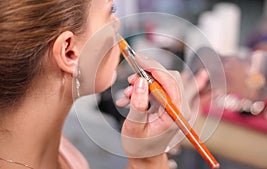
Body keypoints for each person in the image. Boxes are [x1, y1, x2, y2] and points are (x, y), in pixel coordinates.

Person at [0, 0, 208, 169]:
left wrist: (150, 152)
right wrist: (149, 161)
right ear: (69, 52)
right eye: (111, 10)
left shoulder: (55, 147)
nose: (117, 24)